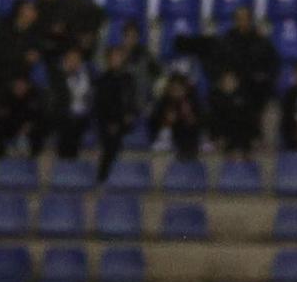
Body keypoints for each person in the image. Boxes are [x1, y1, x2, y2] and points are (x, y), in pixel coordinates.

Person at [91, 46, 139, 182]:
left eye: (119, 57)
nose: (116, 60)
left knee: (114, 138)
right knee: (110, 139)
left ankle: (105, 177)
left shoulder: (128, 78)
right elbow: (100, 106)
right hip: (107, 122)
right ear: (108, 59)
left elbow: (133, 101)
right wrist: (110, 122)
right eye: (114, 57)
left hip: (124, 121)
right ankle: (102, 177)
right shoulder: (102, 80)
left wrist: (130, 114)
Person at [47, 47, 95, 160]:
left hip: (83, 116)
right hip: (64, 116)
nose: (74, 62)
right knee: (67, 126)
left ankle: (71, 161)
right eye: (71, 59)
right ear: (65, 60)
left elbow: (91, 97)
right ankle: (66, 162)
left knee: (78, 126)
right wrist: (65, 74)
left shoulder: (87, 76)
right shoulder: (57, 77)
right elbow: (55, 100)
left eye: (76, 60)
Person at [207, 68, 259, 162]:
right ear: (221, 83)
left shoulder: (245, 98)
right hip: (224, 137)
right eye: (226, 81)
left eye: (231, 80)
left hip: (243, 135)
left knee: (253, 154)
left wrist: (255, 137)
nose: (228, 83)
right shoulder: (215, 99)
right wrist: (216, 137)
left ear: (237, 82)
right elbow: (214, 121)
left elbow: (250, 119)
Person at [150, 72, 204, 162]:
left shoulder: (192, 102)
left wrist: (189, 115)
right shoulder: (163, 102)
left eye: (179, 88)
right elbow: (154, 124)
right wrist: (167, 122)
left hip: (188, 138)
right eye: (173, 88)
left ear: (185, 89)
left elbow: (199, 122)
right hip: (166, 139)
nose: (176, 91)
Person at [0, 74, 43, 159]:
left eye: (23, 85)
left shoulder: (34, 97)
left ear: (28, 86)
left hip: (28, 126)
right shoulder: (5, 96)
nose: (20, 87)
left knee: (39, 130)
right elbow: (1, 115)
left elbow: (37, 115)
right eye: (17, 85)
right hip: (10, 125)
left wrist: (28, 126)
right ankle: (1, 158)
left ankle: (33, 158)